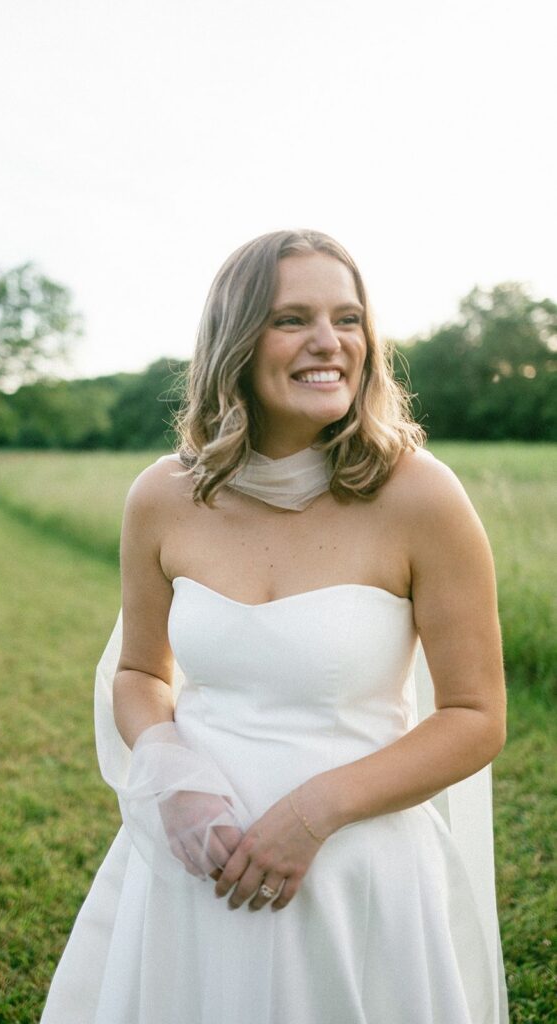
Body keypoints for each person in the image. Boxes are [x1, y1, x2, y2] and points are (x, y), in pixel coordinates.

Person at [40, 229, 509, 1023]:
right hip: (193, 864)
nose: (329, 343)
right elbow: (141, 674)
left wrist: (310, 813)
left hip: (355, 874)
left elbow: (475, 718)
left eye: (348, 318)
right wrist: (170, 777)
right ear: (235, 340)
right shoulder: (161, 497)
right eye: (292, 318)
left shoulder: (420, 498)